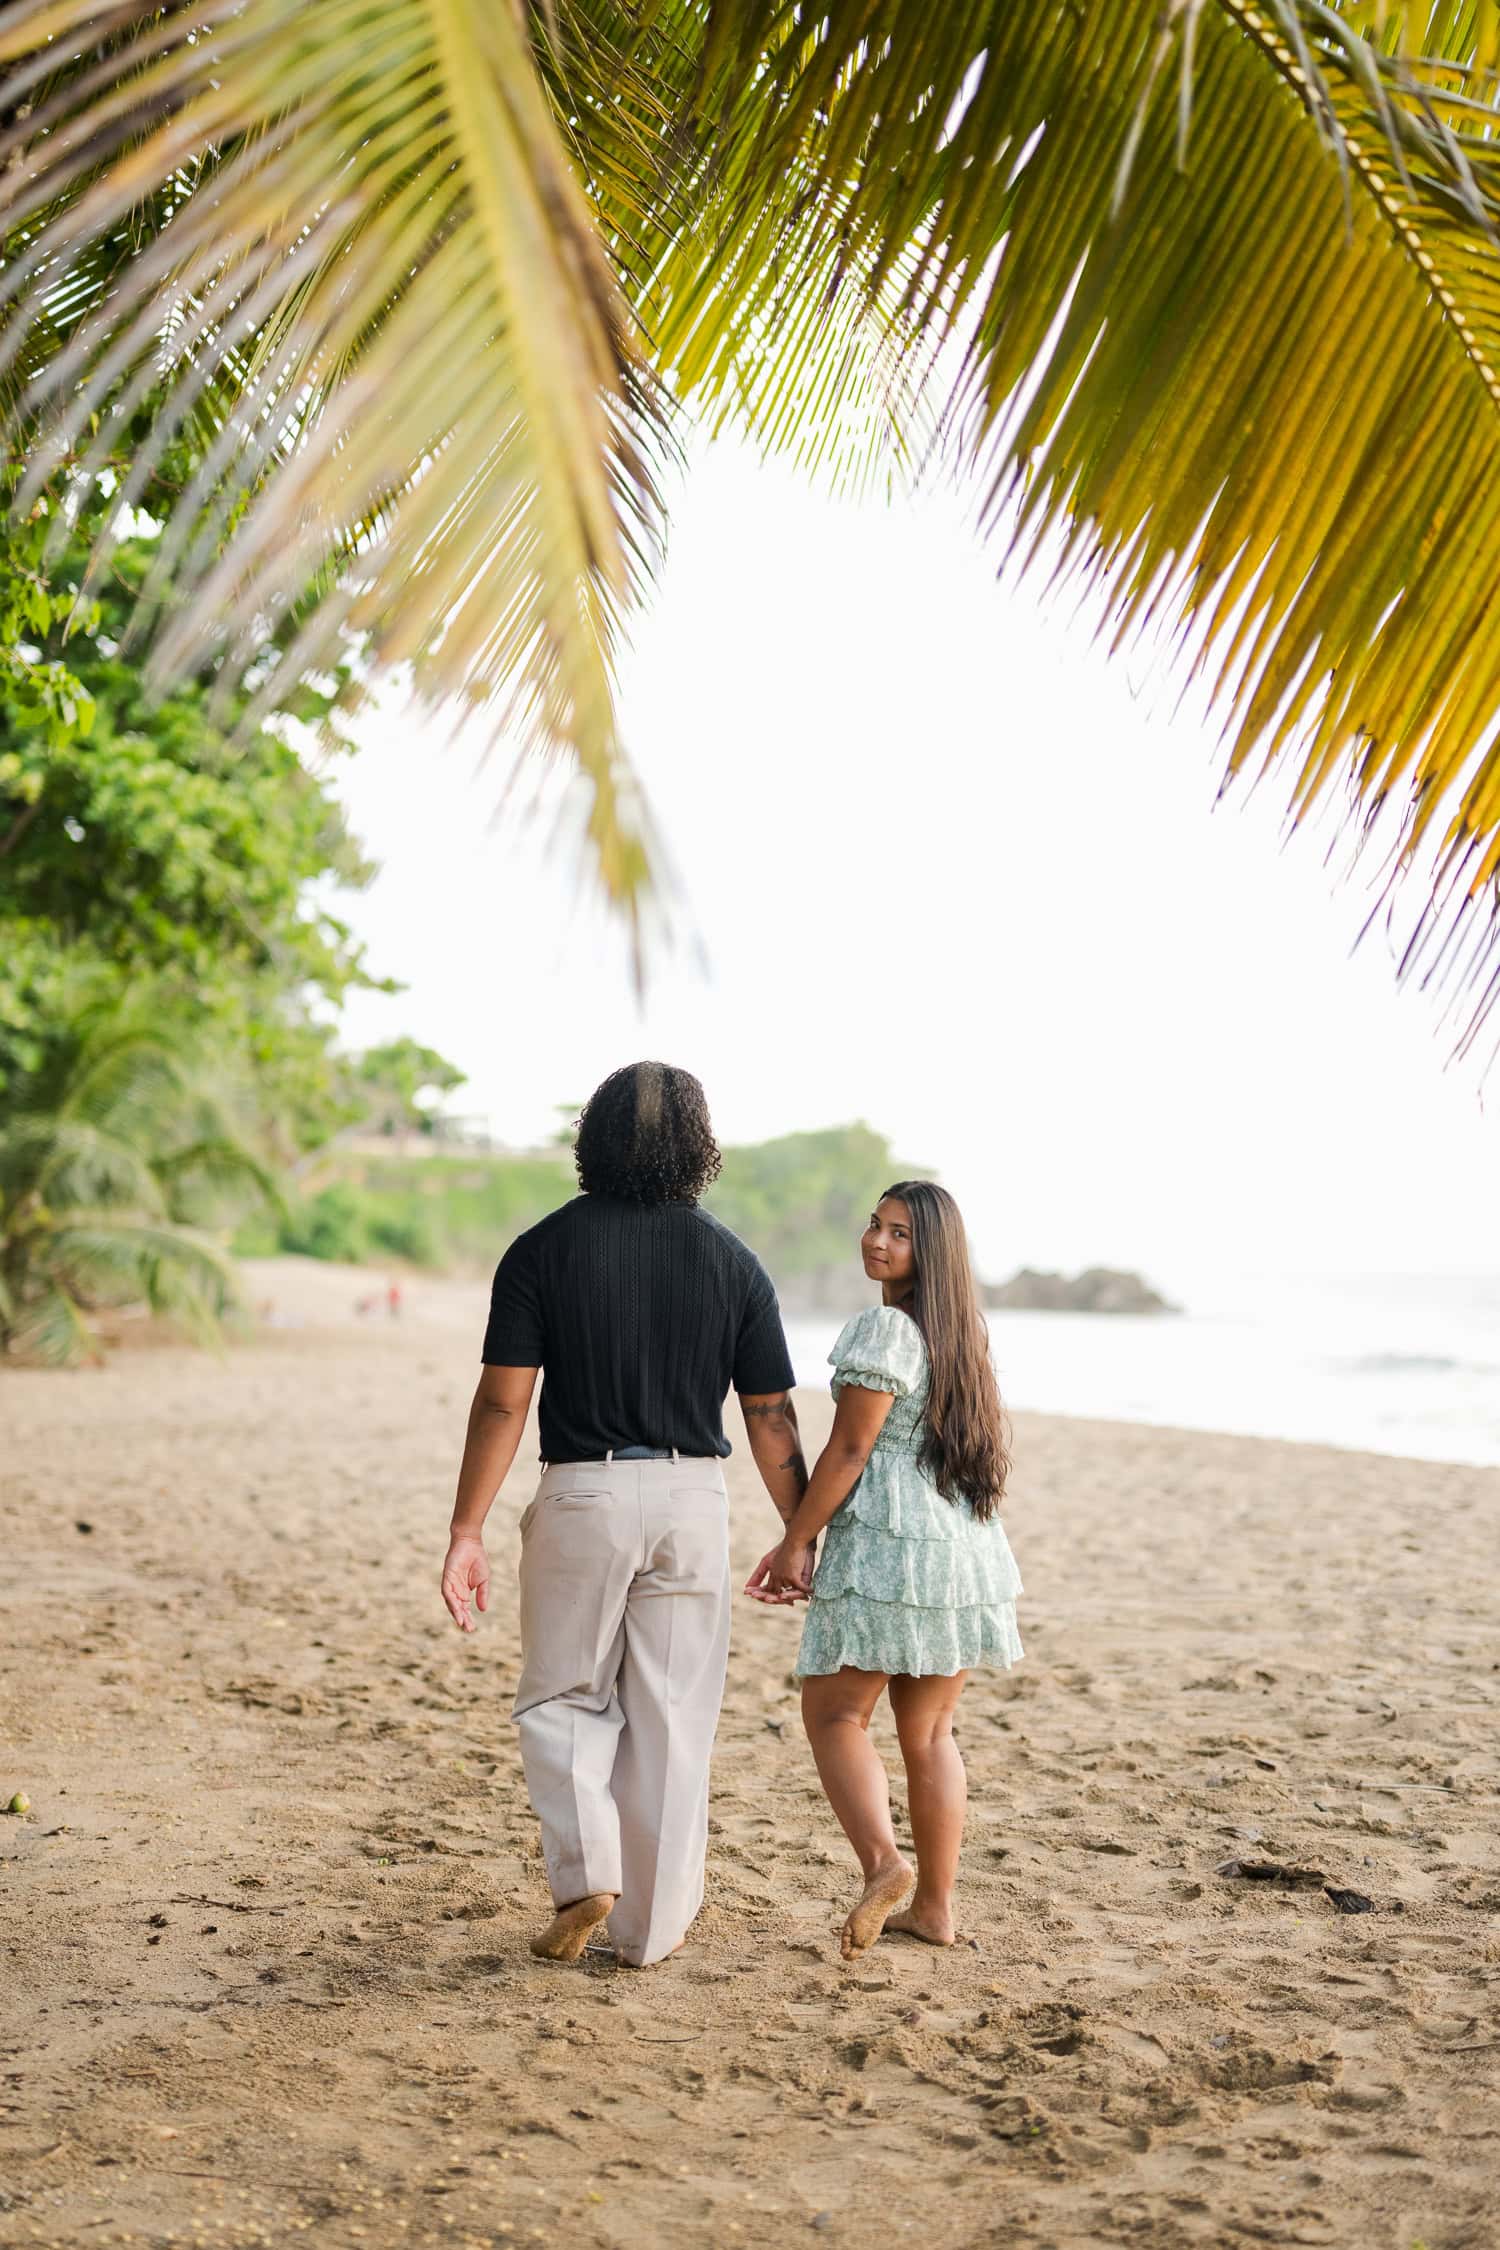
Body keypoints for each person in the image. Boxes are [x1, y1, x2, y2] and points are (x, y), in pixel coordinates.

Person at [441, 1062, 808, 1969]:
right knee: (675, 1717)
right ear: (700, 1147)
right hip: (693, 1499)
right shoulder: (734, 1262)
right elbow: (770, 1417)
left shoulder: (541, 1250)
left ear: (591, 1138)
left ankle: (586, 1872)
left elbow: (502, 1405)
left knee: (563, 1694)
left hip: (583, 1493)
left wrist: (465, 1530)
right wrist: (800, 1533)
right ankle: (648, 1935)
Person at [747, 1181, 1022, 1960]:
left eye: (899, 1234)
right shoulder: (960, 1337)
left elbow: (849, 1450)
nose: (876, 1241)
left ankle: (882, 1865)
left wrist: (797, 1540)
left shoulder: (884, 1329)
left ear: (928, 1253)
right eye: (875, 1225)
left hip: (889, 1541)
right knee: (931, 1732)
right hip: (960, 1543)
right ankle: (935, 1909)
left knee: (834, 1714)